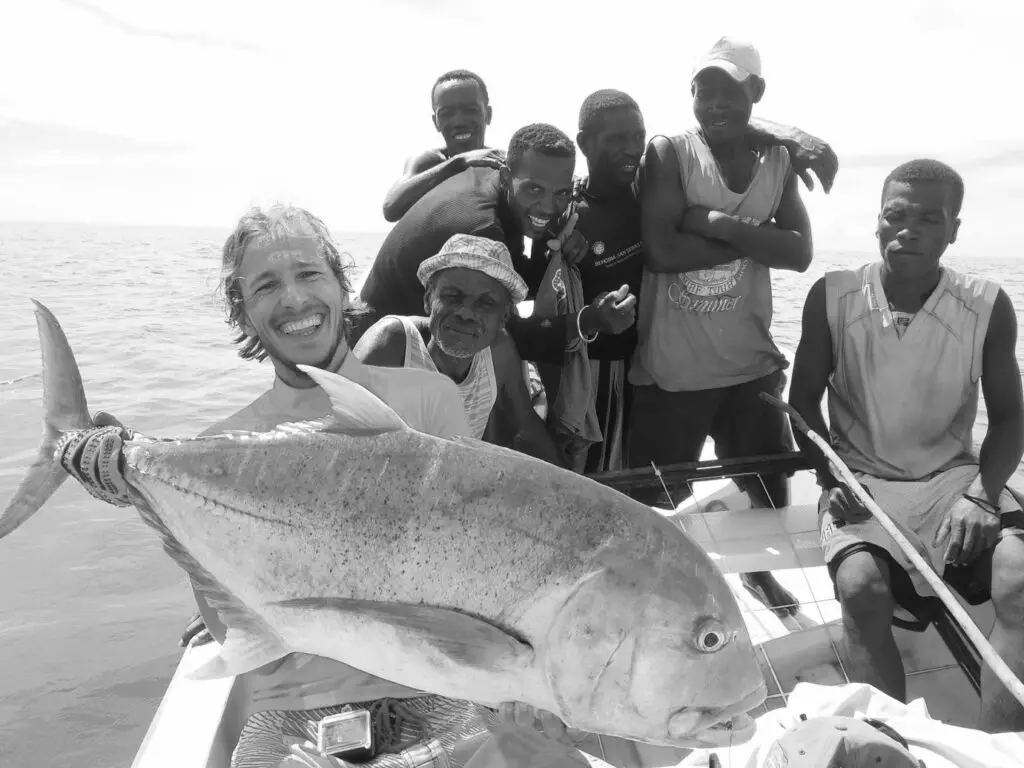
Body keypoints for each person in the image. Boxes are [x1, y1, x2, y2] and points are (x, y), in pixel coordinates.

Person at [788, 158, 1024, 733]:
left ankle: (1000, 746)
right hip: (860, 480)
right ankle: (888, 742)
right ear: (876, 223)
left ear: (954, 231)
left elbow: (1013, 418)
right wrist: (830, 478)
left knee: (1019, 579)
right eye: (895, 215)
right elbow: (801, 405)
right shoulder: (833, 295)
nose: (907, 230)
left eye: (928, 218)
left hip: (951, 478)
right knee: (861, 589)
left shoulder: (988, 304)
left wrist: (981, 497)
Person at [626, 37, 814, 618]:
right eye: (702, 91)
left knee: (767, 488)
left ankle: (758, 576)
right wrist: (759, 238)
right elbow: (661, 250)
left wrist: (713, 223)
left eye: (728, 90)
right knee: (659, 498)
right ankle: (655, 603)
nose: (713, 103)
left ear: (755, 93)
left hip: (750, 362)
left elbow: (801, 253)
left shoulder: (779, 162)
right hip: (673, 367)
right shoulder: (670, 153)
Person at [354, 233, 566, 467]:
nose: (465, 313)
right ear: (428, 299)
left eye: (485, 303)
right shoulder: (391, 343)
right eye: (452, 296)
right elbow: (339, 439)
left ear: (504, 316)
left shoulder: (498, 350)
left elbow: (525, 426)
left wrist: (574, 489)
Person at [382, 69, 505, 223]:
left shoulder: (503, 164)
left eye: (470, 110)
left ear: (488, 114)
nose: (459, 122)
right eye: (447, 114)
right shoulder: (429, 162)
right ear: (436, 122)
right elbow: (391, 208)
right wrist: (460, 162)